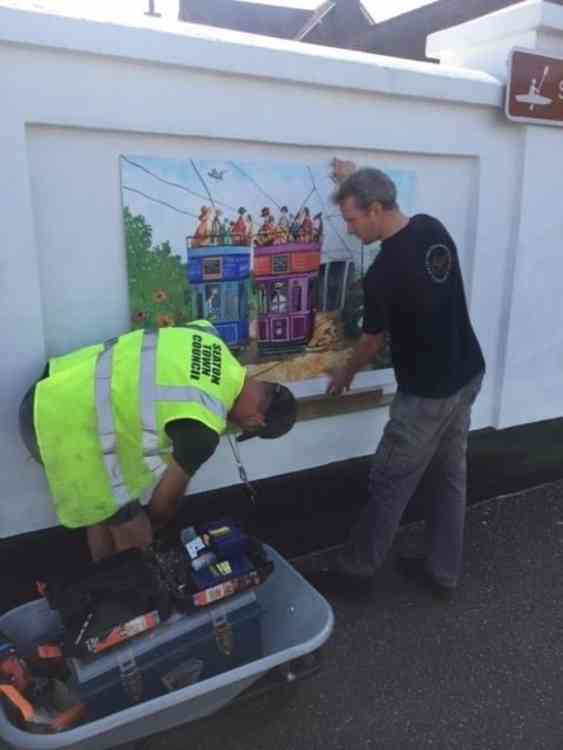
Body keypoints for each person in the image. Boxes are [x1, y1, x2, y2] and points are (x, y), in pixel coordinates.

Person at [326, 168, 485, 600]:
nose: (349, 229)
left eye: (352, 219)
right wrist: (353, 177)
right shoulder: (432, 228)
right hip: (467, 372)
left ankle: (356, 571)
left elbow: (371, 341)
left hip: (428, 396)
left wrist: (345, 373)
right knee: (451, 476)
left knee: (389, 482)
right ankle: (443, 573)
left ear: (375, 210)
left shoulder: (383, 274)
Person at [19, 321, 297, 561]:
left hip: (52, 388)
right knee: (136, 534)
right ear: (257, 421)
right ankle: (135, 606)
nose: (237, 426)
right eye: (246, 428)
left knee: (107, 509)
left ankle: (109, 596)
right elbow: (165, 502)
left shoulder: (206, 334)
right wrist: (154, 531)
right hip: (62, 426)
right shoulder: (204, 422)